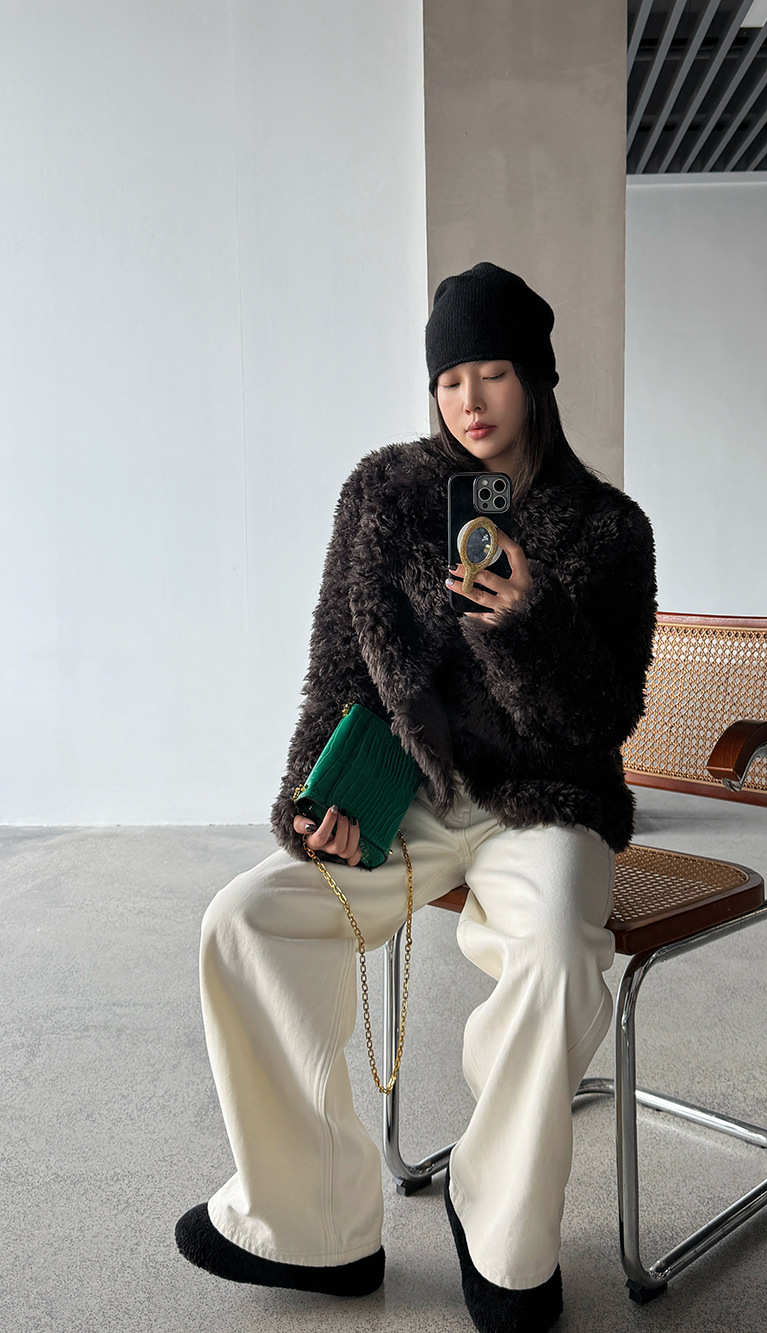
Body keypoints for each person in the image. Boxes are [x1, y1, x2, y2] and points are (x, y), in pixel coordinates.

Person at [175, 261, 657, 1332]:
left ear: (536, 377)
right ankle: (314, 1221)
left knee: (560, 953)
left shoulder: (608, 528)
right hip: (414, 794)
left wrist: (527, 620)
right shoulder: (384, 492)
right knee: (243, 921)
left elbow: (604, 717)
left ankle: (501, 1228)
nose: (469, 400)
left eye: (493, 372)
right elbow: (340, 666)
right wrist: (316, 795)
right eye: (448, 379)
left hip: (546, 800)